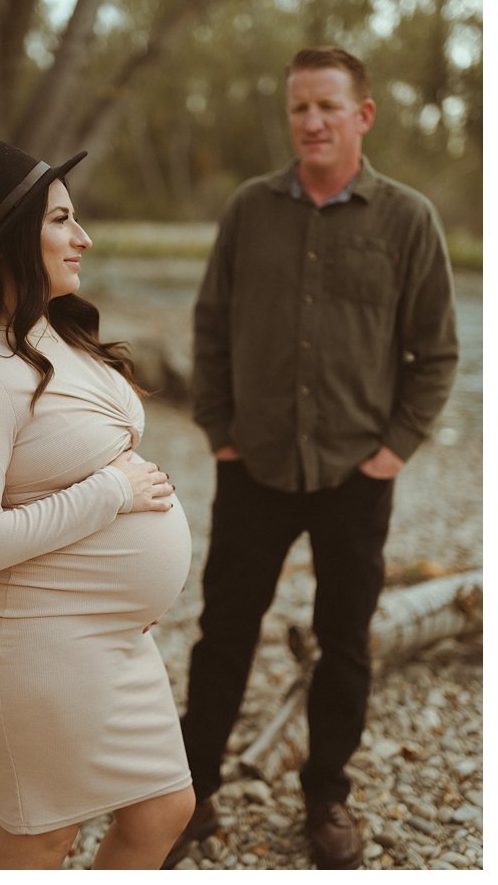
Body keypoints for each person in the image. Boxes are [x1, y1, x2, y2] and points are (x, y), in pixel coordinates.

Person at [169, 46, 459, 870]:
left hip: (354, 477)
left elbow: (436, 356)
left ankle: (326, 796)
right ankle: (193, 797)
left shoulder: (408, 220)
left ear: (363, 115)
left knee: (346, 640)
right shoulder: (249, 210)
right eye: (299, 107)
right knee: (223, 632)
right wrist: (219, 430)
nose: (312, 121)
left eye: (328, 106)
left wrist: (392, 453)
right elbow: (211, 330)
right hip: (251, 465)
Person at [0, 142, 197, 869]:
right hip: (33, 638)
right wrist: (113, 494)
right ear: (10, 240)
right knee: (43, 838)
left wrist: (127, 592)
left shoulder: (53, 332)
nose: (83, 238)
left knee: (163, 810)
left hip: (106, 634)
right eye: (63, 219)